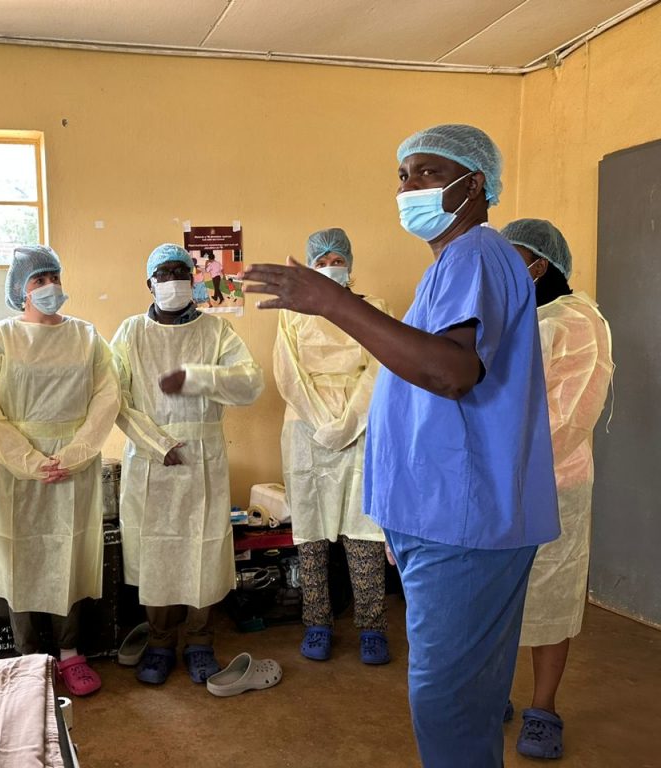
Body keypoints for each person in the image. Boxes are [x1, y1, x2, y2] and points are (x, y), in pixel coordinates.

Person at [244, 125, 559, 768]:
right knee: (462, 699)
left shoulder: (477, 254)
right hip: (444, 516)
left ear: (474, 183)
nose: (407, 186)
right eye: (402, 174)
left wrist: (334, 303)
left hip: (465, 521)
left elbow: (450, 372)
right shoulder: (450, 265)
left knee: (446, 703)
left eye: (424, 172)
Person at [0, 245, 120, 697]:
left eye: (53, 276)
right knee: (22, 559)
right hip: (12, 467)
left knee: (68, 556)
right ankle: (29, 657)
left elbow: (106, 397)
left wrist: (74, 453)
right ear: (20, 290)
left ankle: (72, 653)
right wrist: (30, 461)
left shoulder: (87, 337)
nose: (49, 286)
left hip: (74, 465)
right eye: (38, 280)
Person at [112, 243, 263, 685]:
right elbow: (114, 399)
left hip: (202, 458)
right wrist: (156, 443)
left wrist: (197, 377)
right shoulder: (130, 333)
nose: (173, 279)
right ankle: (160, 642)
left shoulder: (216, 334)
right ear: (149, 283)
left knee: (202, 550)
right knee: (155, 554)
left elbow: (250, 382)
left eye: (181, 271)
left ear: (195, 280)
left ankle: (200, 640)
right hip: (150, 461)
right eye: (163, 272)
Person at [501, 219, 614, 760]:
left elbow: (569, 416)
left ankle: (543, 707)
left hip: (555, 481)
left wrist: (512, 462)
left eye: (511, 260)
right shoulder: (507, 318)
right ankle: (494, 691)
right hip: (496, 482)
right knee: (495, 596)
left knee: (551, 591)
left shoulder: (578, 322)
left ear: (538, 266)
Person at [273, 227, 391, 665]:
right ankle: (317, 622)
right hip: (306, 429)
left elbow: (381, 370)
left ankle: (372, 626)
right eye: (320, 262)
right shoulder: (291, 316)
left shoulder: (374, 311)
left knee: (364, 531)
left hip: (362, 428)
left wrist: (348, 423)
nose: (329, 268)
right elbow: (288, 375)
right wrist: (325, 424)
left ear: (351, 265)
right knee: (311, 531)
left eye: (336, 260)